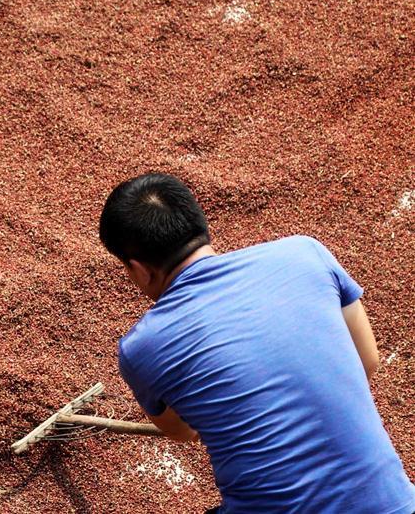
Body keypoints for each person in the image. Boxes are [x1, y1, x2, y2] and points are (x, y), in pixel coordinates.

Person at [98, 172, 415, 513]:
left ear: (138, 269)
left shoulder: (141, 348)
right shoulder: (305, 254)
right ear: (199, 224)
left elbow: (184, 432)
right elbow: (367, 360)